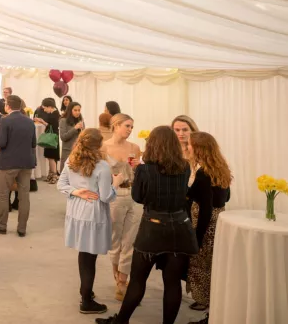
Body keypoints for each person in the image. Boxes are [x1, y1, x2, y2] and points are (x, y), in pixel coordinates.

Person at [97, 126, 198, 324]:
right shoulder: (184, 167)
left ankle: (121, 321)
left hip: (153, 228)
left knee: (137, 280)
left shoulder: (145, 169)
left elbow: (138, 197)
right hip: (180, 227)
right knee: (172, 283)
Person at [57, 129, 117, 314]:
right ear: (99, 145)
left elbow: (61, 184)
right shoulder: (102, 166)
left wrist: (76, 192)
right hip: (94, 213)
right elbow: (106, 196)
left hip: (76, 210)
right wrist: (116, 183)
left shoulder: (71, 160)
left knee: (84, 255)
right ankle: (86, 300)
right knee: (90, 257)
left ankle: (86, 291)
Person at [186, 132, 232, 319]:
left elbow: (205, 208)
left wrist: (197, 237)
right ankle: (211, 300)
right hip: (218, 219)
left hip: (206, 223)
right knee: (212, 263)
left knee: (200, 263)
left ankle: (205, 301)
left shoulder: (204, 173)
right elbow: (225, 198)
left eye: (189, 145)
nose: (187, 148)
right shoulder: (220, 168)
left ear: (198, 149)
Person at [102, 113, 142, 301]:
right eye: (127, 125)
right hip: (115, 195)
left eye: (132, 127)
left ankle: (123, 281)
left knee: (130, 239)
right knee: (115, 239)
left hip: (133, 195)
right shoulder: (103, 148)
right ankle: (117, 274)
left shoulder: (134, 148)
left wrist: (136, 167)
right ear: (116, 125)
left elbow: (138, 174)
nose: (130, 129)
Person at [0, 95, 36, 237]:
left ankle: (1, 225)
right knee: (24, 196)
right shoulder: (29, 122)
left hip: (8, 162)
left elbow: (1, 143)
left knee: (2, 194)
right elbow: (33, 143)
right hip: (26, 163)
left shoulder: (5, 120)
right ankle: (22, 228)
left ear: (8, 106)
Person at [34, 97, 61, 182]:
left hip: (52, 137)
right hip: (51, 137)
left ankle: (54, 176)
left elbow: (53, 127)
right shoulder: (53, 114)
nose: (44, 110)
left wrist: (42, 121)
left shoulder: (55, 114)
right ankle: (51, 175)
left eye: (45, 108)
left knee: (51, 157)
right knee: (50, 157)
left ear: (50, 106)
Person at [171, 115, 200, 186]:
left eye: (185, 130)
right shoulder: (168, 150)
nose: (181, 134)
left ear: (193, 130)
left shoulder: (201, 149)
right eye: (177, 130)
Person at [59, 102, 85, 176]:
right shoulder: (63, 120)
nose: (77, 112)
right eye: (75, 110)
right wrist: (75, 128)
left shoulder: (80, 120)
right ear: (70, 110)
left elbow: (83, 136)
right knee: (66, 176)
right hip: (68, 151)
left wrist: (83, 131)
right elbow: (63, 137)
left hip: (79, 151)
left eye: (79, 110)